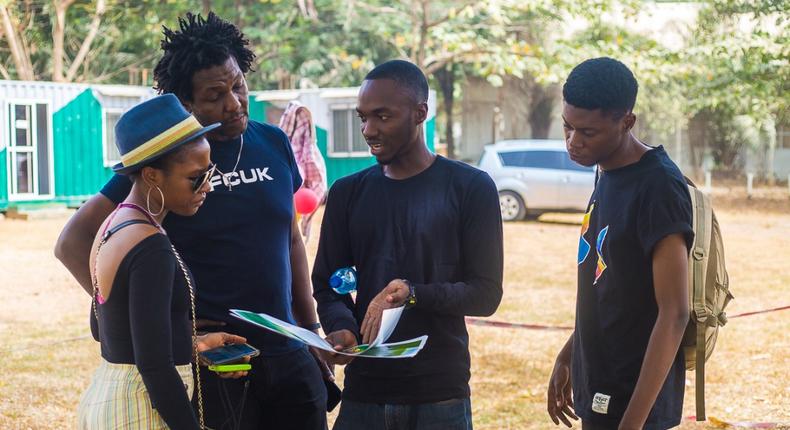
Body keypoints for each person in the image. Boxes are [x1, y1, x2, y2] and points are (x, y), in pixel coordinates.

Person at [57, 12, 328, 430]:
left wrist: (310, 327)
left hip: (288, 348)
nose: (234, 103)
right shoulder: (167, 162)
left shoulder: (272, 141)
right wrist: (156, 328)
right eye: (215, 95)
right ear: (186, 103)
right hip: (218, 359)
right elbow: (74, 240)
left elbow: (291, 236)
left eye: (237, 85)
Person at [312, 59, 504, 430]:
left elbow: (485, 294)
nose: (368, 130)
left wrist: (412, 293)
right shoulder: (347, 193)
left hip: (439, 396)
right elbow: (328, 284)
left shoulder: (470, 188)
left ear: (420, 113)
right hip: (363, 394)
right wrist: (340, 327)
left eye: (382, 117)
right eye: (362, 118)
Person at [76, 94, 249, 429]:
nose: (207, 186)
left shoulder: (113, 226)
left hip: (109, 399)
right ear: (153, 175)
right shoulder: (150, 245)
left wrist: (191, 345)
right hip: (139, 411)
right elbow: (154, 367)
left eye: (209, 171)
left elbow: (104, 329)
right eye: (196, 176)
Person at [546, 57, 692, 430]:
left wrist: (633, 423)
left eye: (587, 133)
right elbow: (610, 285)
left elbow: (675, 312)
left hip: (634, 402)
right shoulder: (606, 170)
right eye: (567, 127)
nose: (572, 142)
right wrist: (568, 356)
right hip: (597, 383)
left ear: (627, 122)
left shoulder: (658, 186)